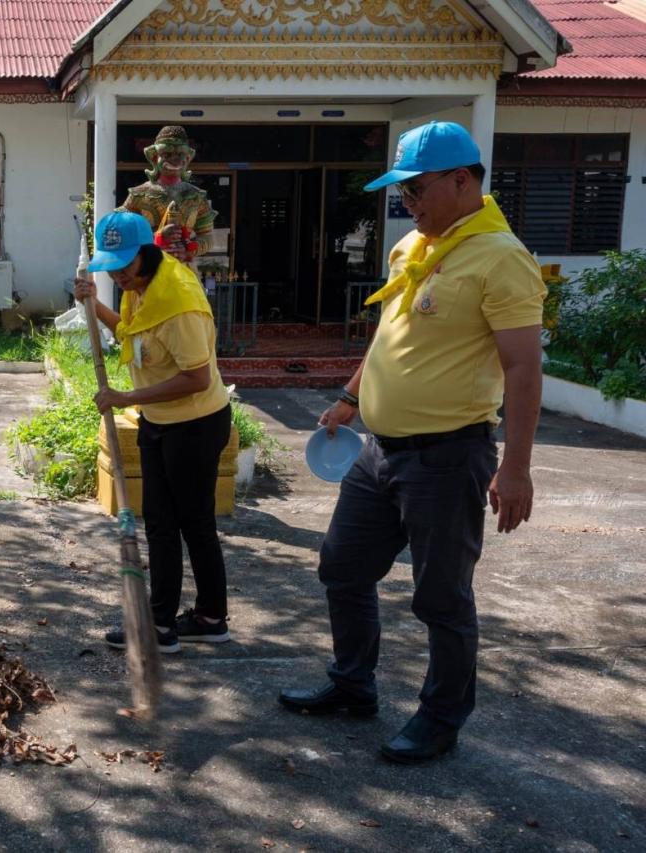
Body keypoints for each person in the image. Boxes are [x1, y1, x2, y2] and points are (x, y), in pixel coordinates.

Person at [277, 121, 545, 764]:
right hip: (379, 449)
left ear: (462, 180)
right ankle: (353, 687)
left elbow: (523, 369)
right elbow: (388, 338)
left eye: (417, 189)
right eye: (403, 192)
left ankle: (441, 718)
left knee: (441, 597)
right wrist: (349, 397)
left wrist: (516, 468)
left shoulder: (501, 258)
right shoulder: (413, 248)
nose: (408, 203)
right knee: (341, 568)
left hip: (448, 457)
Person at [74, 210, 233, 653]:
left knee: (181, 523)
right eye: (113, 266)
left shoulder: (179, 302)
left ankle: (162, 624)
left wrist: (126, 399)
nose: (120, 274)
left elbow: (197, 378)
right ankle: (208, 617)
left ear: (147, 253)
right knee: (170, 522)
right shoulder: (140, 289)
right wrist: (94, 303)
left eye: (126, 264)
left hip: (195, 425)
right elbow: (131, 332)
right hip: (161, 421)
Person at [120, 125, 216, 266]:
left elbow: (207, 236)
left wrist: (187, 248)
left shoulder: (196, 196)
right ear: (154, 158)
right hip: (148, 270)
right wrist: (156, 238)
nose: (175, 160)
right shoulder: (139, 195)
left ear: (187, 158)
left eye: (180, 155)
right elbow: (121, 231)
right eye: (167, 155)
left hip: (183, 271)